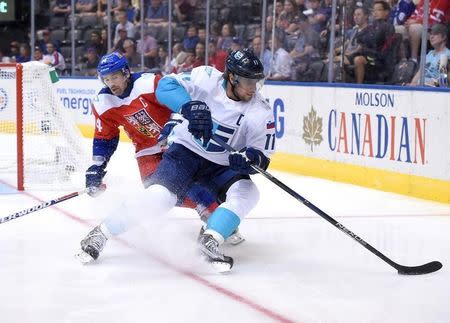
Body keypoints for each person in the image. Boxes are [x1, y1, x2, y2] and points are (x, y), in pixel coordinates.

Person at [79, 48, 275, 272]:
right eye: (247, 82)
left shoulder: (260, 110)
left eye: (256, 83)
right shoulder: (206, 77)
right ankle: (101, 233)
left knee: (248, 191)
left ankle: (210, 239)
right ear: (231, 77)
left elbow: (261, 156)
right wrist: (188, 105)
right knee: (159, 197)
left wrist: (250, 159)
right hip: (184, 153)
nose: (253, 89)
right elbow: (167, 85)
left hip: (221, 165)